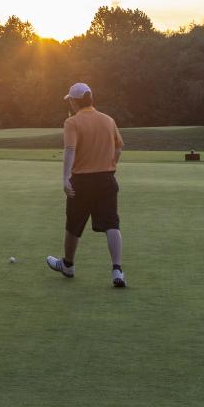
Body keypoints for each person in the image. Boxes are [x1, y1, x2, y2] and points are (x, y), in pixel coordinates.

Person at [47, 82, 126, 287]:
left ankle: (68, 265)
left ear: (74, 101)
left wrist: (65, 178)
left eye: (70, 100)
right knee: (112, 224)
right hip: (106, 179)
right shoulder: (108, 120)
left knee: (73, 224)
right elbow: (119, 148)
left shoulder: (72, 122)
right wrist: (111, 165)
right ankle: (117, 271)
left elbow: (70, 150)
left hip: (81, 181)